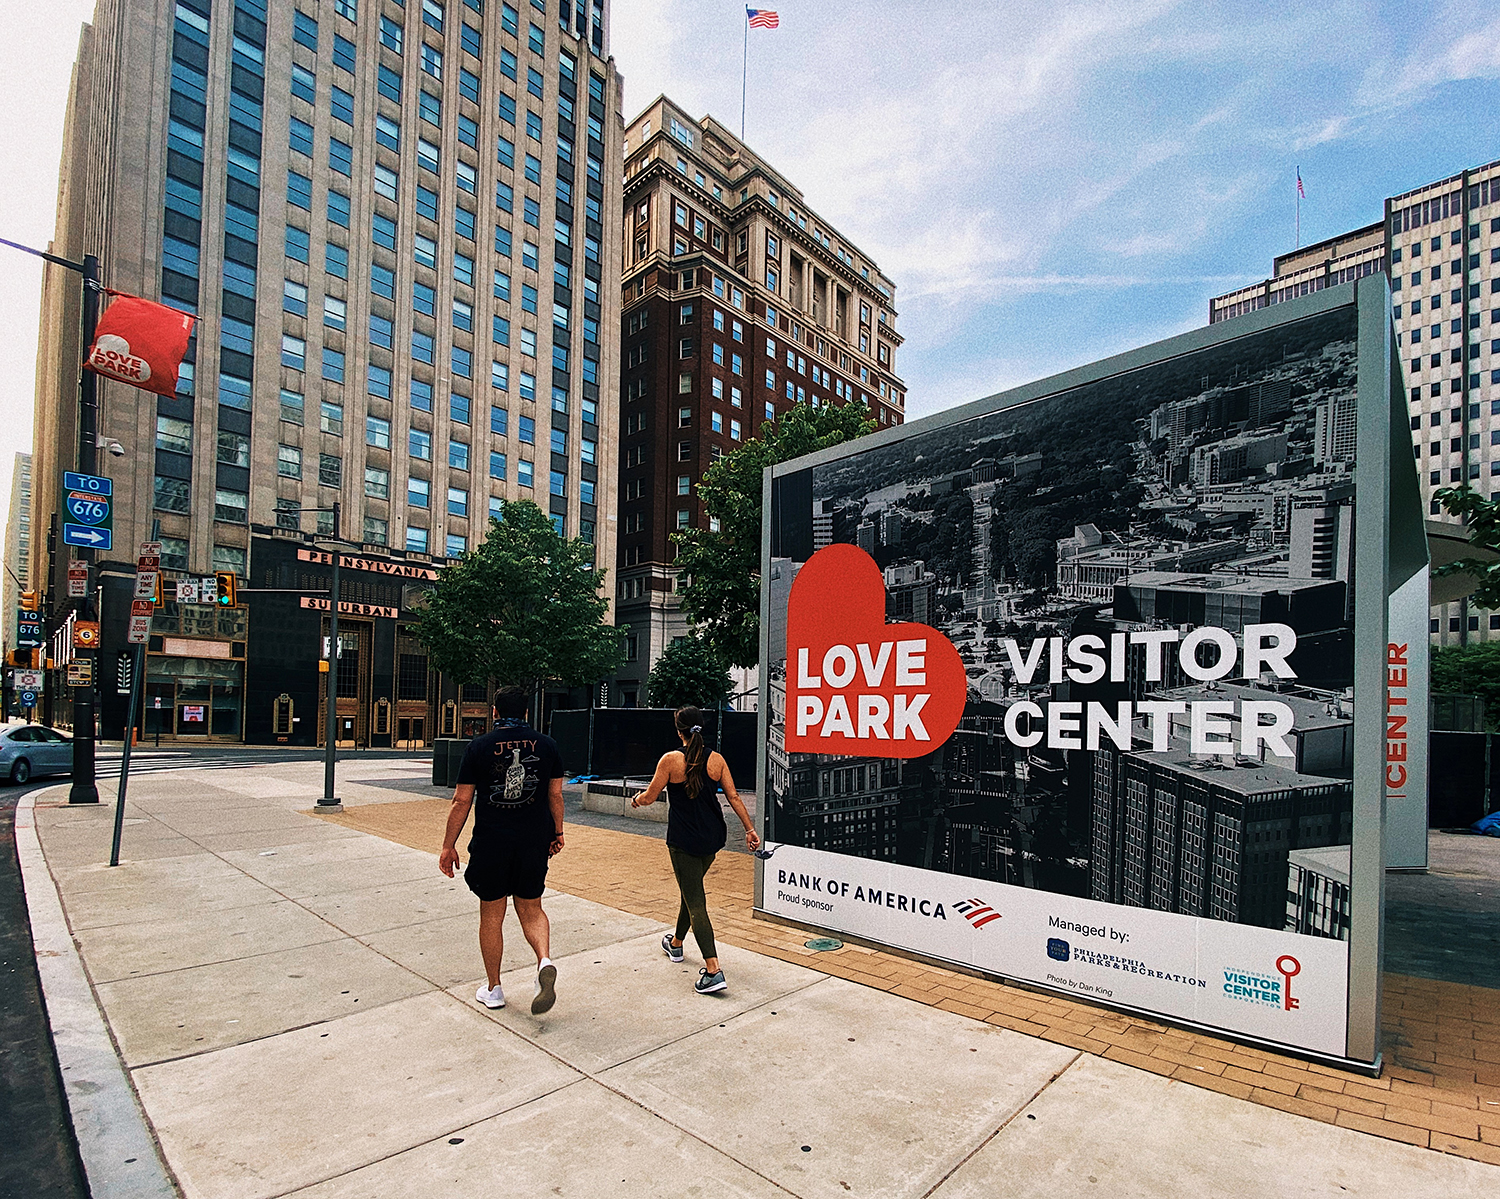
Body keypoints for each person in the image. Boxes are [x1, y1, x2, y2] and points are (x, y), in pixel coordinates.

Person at [439, 686, 565, 1015]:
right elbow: (555, 796)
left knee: (492, 916)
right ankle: (543, 962)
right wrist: (558, 831)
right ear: (526, 712)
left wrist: (448, 845)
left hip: (492, 842)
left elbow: (461, 800)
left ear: (495, 711)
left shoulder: (478, 747)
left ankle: (494, 988)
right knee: (532, 909)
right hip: (533, 841)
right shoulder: (548, 746)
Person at [631, 707, 760, 994]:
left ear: (679, 731)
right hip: (712, 837)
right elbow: (734, 796)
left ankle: (713, 970)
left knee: (696, 900)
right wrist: (750, 830)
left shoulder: (671, 760)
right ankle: (676, 944)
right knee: (691, 892)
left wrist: (637, 800)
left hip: (683, 840)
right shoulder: (716, 760)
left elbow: (651, 796)